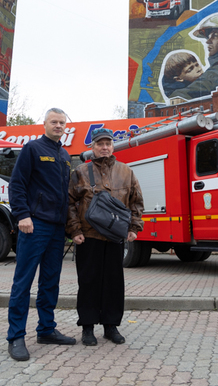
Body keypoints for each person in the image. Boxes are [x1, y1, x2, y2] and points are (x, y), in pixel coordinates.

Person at [6, 108, 75, 361]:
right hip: (34, 225)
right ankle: (15, 336)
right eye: (54, 122)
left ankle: (46, 329)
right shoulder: (32, 149)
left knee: (50, 281)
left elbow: (65, 195)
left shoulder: (65, 155)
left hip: (57, 229)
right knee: (23, 281)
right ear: (44, 123)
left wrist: (69, 227)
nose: (58, 126)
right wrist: (23, 215)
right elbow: (17, 184)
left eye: (62, 123)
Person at [66, 128, 144, 346]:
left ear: (112, 146)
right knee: (89, 282)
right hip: (88, 237)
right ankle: (88, 327)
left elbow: (136, 201)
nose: (104, 147)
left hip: (115, 238)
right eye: (100, 144)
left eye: (108, 144)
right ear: (92, 147)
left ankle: (111, 326)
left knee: (114, 283)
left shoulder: (126, 171)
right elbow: (69, 203)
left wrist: (133, 228)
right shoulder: (80, 171)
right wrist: (75, 231)